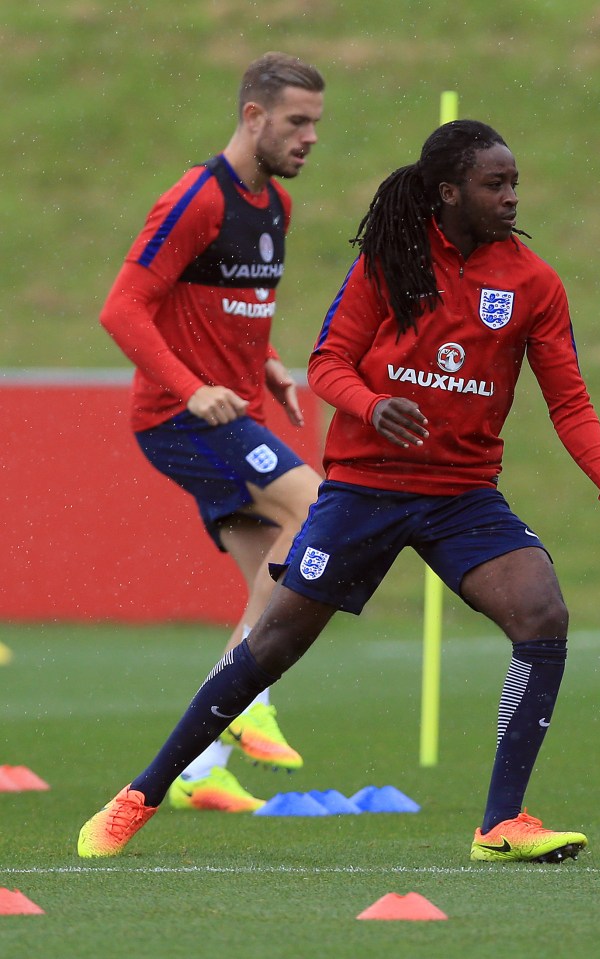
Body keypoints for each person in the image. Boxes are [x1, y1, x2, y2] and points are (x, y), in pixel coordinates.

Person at [77, 119, 600, 863]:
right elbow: (327, 363)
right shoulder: (391, 260)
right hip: (365, 486)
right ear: (448, 192)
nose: (512, 197)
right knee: (275, 643)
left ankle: (501, 823)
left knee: (542, 612)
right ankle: (141, 793)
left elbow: (568, 400)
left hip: (461, 494)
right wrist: (371, 405)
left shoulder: (533, 283)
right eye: (494, 184)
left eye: (515, 183)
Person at [97, 52, 326, 813]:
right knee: (317, 508)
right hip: (177, 417)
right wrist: (194, 389)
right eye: (297, 122)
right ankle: (251, 701)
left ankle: (200, 767)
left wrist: (269, 365)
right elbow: (123, 308)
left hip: (238, 413)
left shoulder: (277, 209)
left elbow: (228, 309)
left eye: (316, 124)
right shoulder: (195, 198)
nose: (309, 138)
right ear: (253, 117)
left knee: (272, 585)